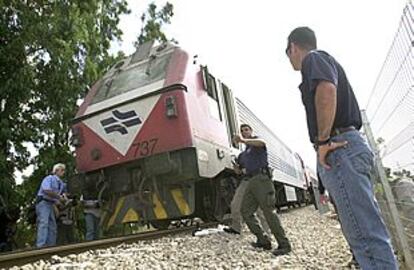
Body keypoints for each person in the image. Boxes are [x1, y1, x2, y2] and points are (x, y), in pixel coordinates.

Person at [285, 26, 398, 269]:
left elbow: (326, 89)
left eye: (288, 53)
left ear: (293, 47)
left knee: (366, 236)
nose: (290, 59)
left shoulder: (313, 59)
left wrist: (323, 140)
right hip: (347, 147)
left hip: (339, 148)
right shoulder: (323, 60)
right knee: (363, 229)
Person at [233, 124, 291, 256]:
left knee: (268, 212)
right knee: (245, 211)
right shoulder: (244, 154)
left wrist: (243, 140)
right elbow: (239, 170)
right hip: (250, 181)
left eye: (246, 130)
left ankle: (284, 244)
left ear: (251, 131)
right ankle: (263, 239)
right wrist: (236, 168)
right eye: (242, 131)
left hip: (262, 179)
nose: (244, 132)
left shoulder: (257, 143)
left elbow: (261, 142)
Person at [35, 163, 66, 248]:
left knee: (52, 225)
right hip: (43, 202)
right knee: (44, 223)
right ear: (56, 171)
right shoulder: (49, 178)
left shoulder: (61, 184)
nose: (63, 172)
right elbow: (46, 190)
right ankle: (41, 245)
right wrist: (59, 197)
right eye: (62, 170)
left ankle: (51, 246)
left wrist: (62, 200)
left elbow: (61, 196)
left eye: (64, 170)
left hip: (51, 203)